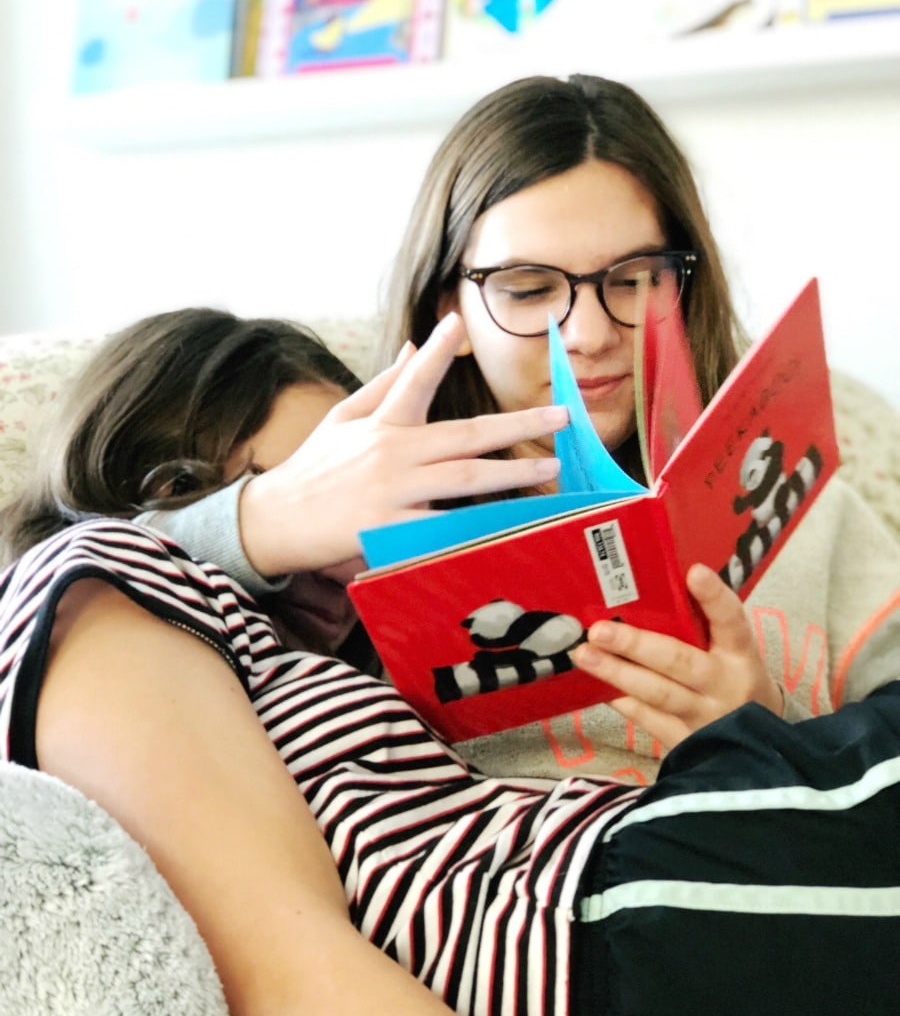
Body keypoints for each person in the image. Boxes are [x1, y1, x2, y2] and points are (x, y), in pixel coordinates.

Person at [1, 301, 897, 1016]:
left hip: (642, 912)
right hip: (598, 944)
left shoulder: (324, 660)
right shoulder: (88, 584)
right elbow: (287, 978)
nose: (355, 542)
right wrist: (259, 522)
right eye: (337, 478)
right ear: (171, 488)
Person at [127, 75, 900, 789]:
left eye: (635, 280)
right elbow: (94, 596)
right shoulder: (358, 519)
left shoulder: (803, 502)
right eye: (529, 290)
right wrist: (262, 520)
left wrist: (776, 740)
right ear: (449, 309)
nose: (589, 334)